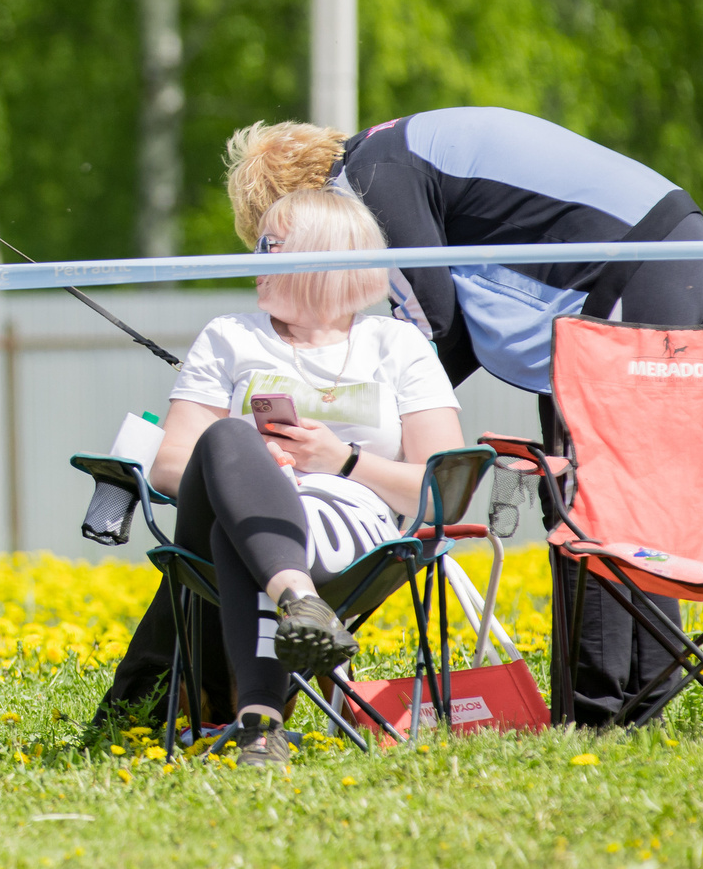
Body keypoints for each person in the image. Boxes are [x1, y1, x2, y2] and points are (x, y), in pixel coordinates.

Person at [223, 105, 703, 727]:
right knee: (615, 494)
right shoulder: (386, 153)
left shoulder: (369, 176)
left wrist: (374, 427)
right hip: (652, 259)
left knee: (585, 497)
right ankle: (642, 702)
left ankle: (600, 715)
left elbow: (434, 318)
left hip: (640, 267)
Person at [144, 184, 467, 765]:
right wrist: (248, 467)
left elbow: (445, 487)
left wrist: (341, 460)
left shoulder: (397, 346)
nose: (254, 260)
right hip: (225, 509)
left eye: (269, 246)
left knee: (237, 536)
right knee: (228, 438)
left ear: (321, 258)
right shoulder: (230, 337)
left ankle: (261, 724)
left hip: (348, 529)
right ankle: (300, 602)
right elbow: (169, 466)